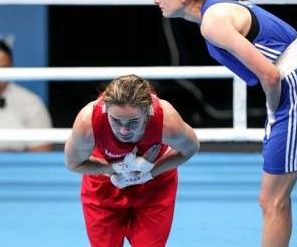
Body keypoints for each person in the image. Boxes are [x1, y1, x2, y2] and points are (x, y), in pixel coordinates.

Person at [154, 0, 297, 247]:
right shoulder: (215, 9)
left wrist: (275, 111)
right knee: (274, 198)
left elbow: (271, 76)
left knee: (271, 199)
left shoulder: (212, 22)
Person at [64, 74, 200, 247]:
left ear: (148, 111)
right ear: (106, 109)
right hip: (103, 186)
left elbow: (190, 148)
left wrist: (149, 173)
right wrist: (114, 169)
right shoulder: (88, 123)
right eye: (115, 120)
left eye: (133, 121)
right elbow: (73, 163)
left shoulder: (168, 121)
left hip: (155, 187)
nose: (124, 130)